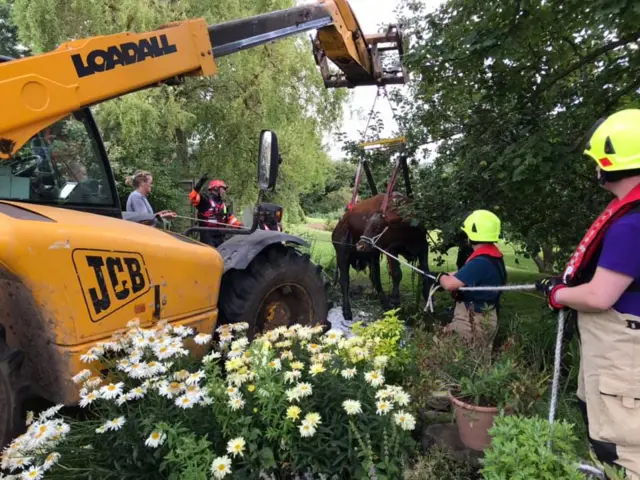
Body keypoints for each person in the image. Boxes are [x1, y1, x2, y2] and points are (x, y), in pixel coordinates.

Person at [536, 109, 640, 479]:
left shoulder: (631, 223)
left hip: (624, 353)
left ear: (609, 161)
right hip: (622, 349)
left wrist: (558, 294)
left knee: (623, 450)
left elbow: (599, 296)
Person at [433, 210, 507, 347]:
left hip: (471, 320)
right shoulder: (492, 256)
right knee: (479, 360)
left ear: (470, 236)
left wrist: (441, 277)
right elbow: (465, 273)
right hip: (487, 316)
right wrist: (445, 274)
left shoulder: (480, 262)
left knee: (440, 349)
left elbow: (449, 285)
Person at [189, 174, 243, 247]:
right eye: (223, 189)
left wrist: (239, 225)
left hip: (220, 236)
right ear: (216, 188)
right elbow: (193, 197)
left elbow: (229, 218)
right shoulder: (205, 200)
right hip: (207, 237)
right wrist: (200, 183)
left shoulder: (222, 204)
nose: (224, 191)